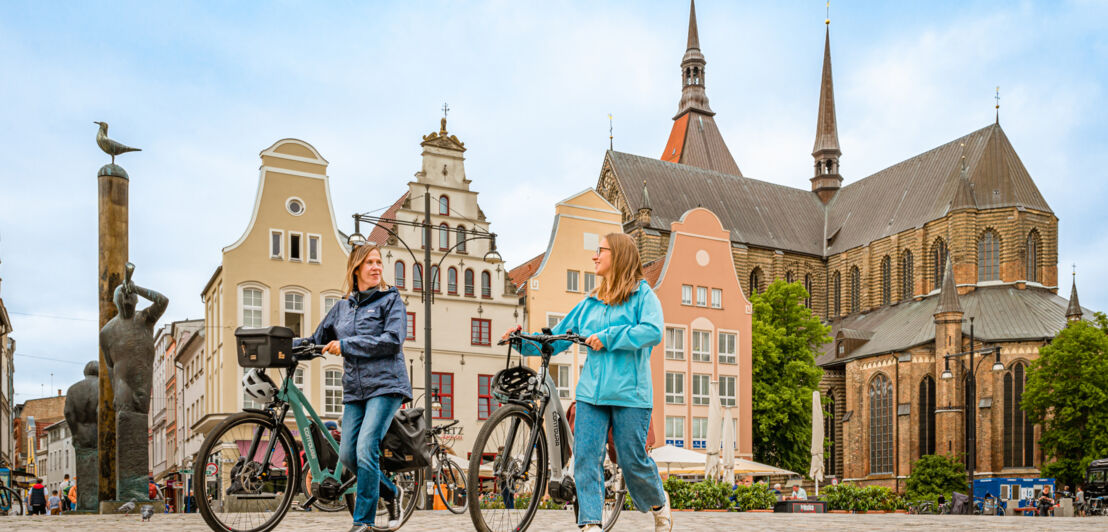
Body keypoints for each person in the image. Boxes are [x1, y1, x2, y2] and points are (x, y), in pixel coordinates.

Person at [505, 233, 670, 532]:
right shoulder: (590, 304)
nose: (595, 256)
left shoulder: (642, 296)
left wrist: (608, 338)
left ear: (618, 255)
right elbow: (554, 339)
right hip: (591, 395)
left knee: (632, 461)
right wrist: (521, 341)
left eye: (600, 251)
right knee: (584, 458)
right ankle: (591, 524)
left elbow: (653, 331)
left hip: (630, 395)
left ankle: (659, 502)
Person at [296, 244, 410, 532]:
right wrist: (282, 346)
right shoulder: (341, 308)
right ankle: (392, 493)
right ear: (356, 269)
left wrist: (346, 345)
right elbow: (315, 340)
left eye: (378, 262)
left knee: (365, 447)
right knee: (347, 455)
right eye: (369, 263)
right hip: (355, 391)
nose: (376, 267)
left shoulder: (390, 301)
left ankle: (363, 522)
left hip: (386, 385)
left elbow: (392, 340)